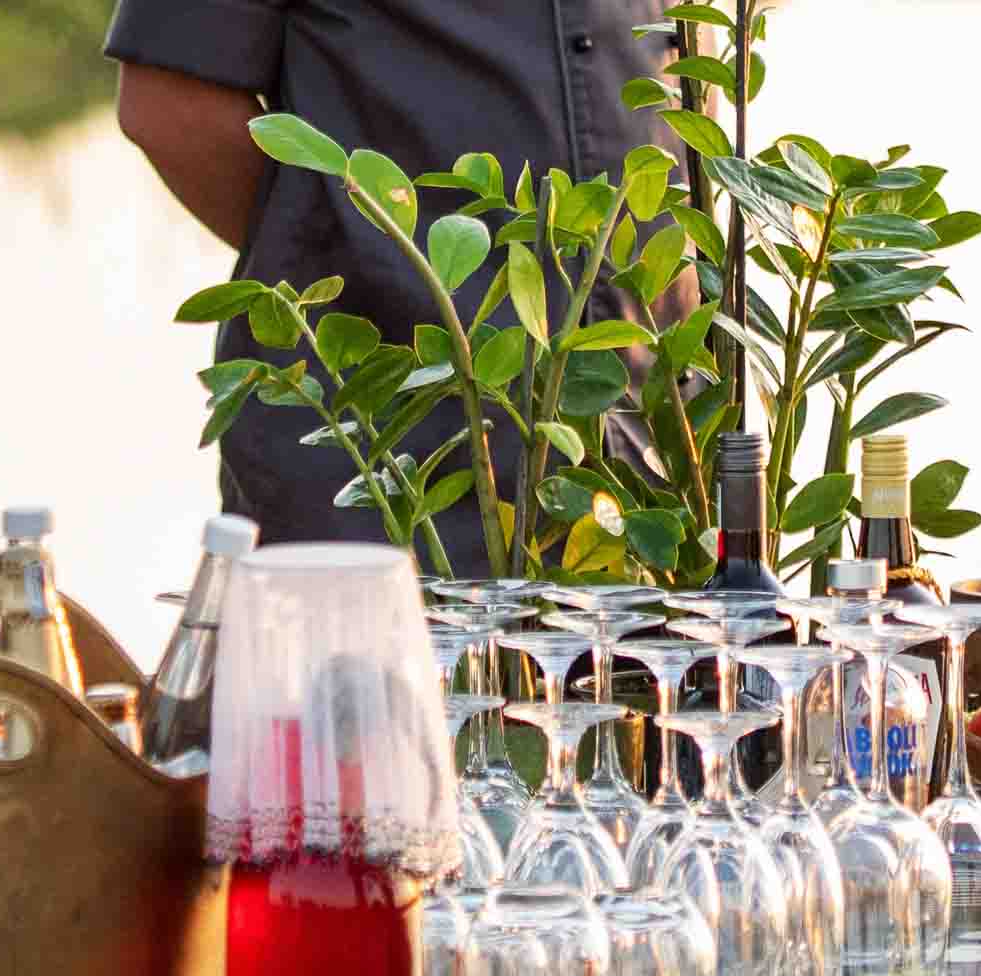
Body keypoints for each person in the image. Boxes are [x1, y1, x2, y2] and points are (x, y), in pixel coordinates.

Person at [105, 0, 697, 571]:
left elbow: (684, 77)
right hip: (376, 481)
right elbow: (170, 105)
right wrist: (346, 259)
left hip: (652, 476)